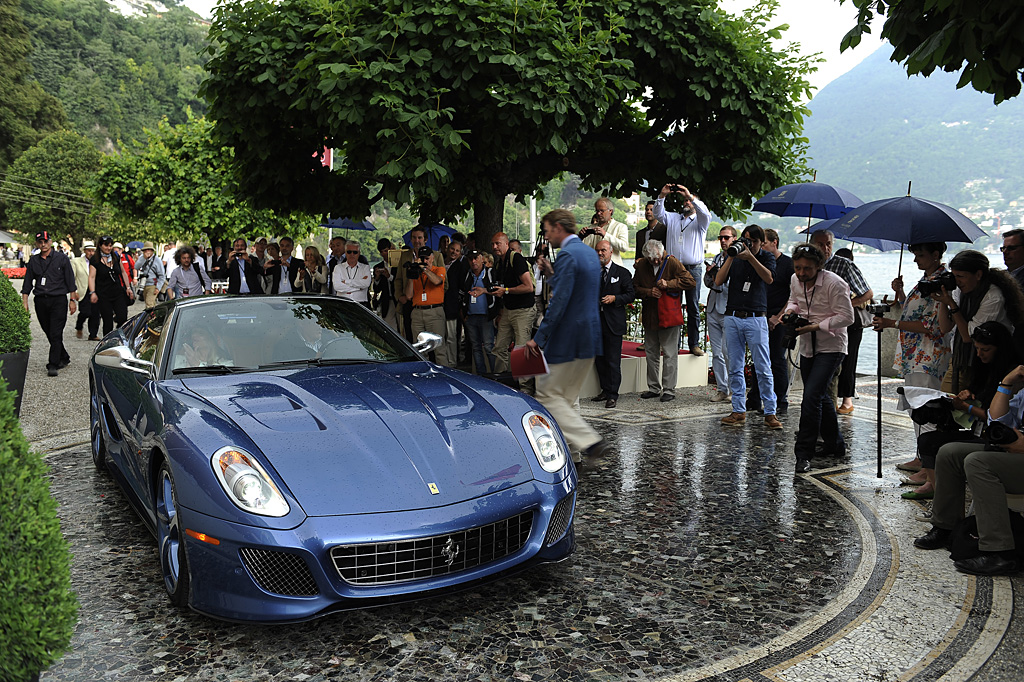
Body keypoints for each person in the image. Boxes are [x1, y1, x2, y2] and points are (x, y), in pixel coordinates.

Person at [913, 362, 1024, 576]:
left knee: (978, 462)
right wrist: (1006, 383)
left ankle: (1001, 552)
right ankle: (945, 527)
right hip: (1013, 451)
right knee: (949, 452)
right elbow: (996, 421)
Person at [900, 321, 1021, 500]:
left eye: (985, 350)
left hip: (995, 437)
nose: (979, 354)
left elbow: (997, 421)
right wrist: (969, 393)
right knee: (928, 439)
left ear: (999, 349)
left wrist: (967, 408)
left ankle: (942, 494)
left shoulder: (1013, 377)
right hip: (979, 430)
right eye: (977, 349)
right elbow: (980, 393)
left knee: (941, 447)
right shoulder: (984, 366)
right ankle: (936, 489)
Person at [525, 209, 605, 462]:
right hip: (589, 337)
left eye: (547, 231)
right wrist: (551, 273)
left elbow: (560, 302)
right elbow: (576, 290)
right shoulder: (588, 253)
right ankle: (571, 454)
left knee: (548, 396)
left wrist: (538, 339)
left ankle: (589, 442)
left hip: (569, 338)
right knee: (566, 402)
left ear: (559, 227)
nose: (546, 237)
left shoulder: (569, 254)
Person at [871, 242, 951, 474]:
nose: (916, 260)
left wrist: (891, 323)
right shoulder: (926, 281)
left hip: (928, 355)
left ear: (936, 255)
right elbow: (914, 311)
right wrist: (901, 293)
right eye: (915, 255)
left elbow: (932, 324)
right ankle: (921, 456)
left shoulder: (941, 282)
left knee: (927, 407)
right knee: (917, 407)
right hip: (915, 354)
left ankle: (929, 465)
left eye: (921, 255)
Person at [774, 243, 854, 473]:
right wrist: (790, 313)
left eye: (807, 269)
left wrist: (817, 326)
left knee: (810, 398)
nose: (801, 273)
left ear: (819, 266)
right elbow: (794, 301)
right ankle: (835, 445)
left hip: (832, 345)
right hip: (808, 345)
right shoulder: (794, 279)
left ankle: (803, 453)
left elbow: (847, 317)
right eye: (798, 268)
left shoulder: (835, 283)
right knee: (819, 396)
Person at [715, 225, 782, 430]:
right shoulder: (733, 258)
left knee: (763, 367)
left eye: (752, 241)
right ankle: (738, 410)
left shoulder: (766, 257)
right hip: (733, 315)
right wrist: (731, 256)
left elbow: (769, 278)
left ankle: (770, 411)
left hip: (756, 317)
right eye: (745, 240)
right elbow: (718, 280)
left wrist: (751, 257)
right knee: (735, 366)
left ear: (761, 242)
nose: (748, 244)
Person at [932, 250, 1024, 393]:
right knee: (946, 400)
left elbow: (969, 336)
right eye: (954, 276)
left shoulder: (993, 297)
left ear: (978, 275)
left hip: (988, 364)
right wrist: (944, 301)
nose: (957, 282)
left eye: (961, 276)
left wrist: (952, 304)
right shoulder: (959, 291)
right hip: (960, 360)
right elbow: (945, 327)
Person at [809, 230, 874, 415]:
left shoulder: (843, 265)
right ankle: (816, 420)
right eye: (820, 244)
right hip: (812, 329)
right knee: (813, 378)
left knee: (833, 374)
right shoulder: (807, 265)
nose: (825, 248)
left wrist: (841, 306)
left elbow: (867, 293)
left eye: (828, 244)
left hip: (839, 329)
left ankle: (830, 421)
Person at [651, 183, 711, 356]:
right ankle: (673, 345)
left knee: (692, 306)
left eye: (689, 201)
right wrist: (662, 195)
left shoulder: (700, 222)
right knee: (672, 305)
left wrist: (690, 195)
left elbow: (705, 213)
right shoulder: (673, 218)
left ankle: (694, 343)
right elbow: (657, 213)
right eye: (684, 200)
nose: (686, 202)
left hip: (693, 269)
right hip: (674, 268)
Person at [632, 240, 695, 402]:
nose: (656, 261)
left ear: (662, 252)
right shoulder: (642, 266)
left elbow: (690, 282)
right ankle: (653, 387)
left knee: (669, 354)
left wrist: (669, 283)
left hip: (669, 315)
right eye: (652, 259)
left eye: (658, 258)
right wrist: (648, 292)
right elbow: (634, 288)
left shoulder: (672, 262)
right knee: (651, 353)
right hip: (650, 316)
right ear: (646, 257)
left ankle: (669, 389)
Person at [747, 228, 796, 413]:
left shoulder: (788, 265)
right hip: (760, 316)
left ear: (774, 243)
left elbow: (793, 295)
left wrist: (779, 316)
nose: (762, 246)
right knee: (758, 359)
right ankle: (755, 398)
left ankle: (780, 401)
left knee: (777, 360)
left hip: (779, 318)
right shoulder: (760, 262)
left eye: (764, 243)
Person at [21, 231, 79, 377]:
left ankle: (53, 364)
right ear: (37, 243)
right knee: (49, 332)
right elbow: (27, 282)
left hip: (58, 300)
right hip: (41, 300)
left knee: (55, 332)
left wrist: (72, 300)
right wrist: (24, 302)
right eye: (40, 242)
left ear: (50, 242)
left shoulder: (62, 258)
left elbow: (70, 280)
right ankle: (63, 356)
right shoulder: (34, 260)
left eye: (45, 242)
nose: (43, 245)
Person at [591, 240, 634, 408]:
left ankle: (613, 395)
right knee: (599, 360)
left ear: (610, 252)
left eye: (603, 250)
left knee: (613, 361)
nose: (600, 253)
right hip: (596, 323)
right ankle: (604, 390)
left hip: (613, 323)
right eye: (597, 251)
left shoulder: (622, 273)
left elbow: (631, 295)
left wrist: (615, 298)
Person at [490, 231, 537, 376]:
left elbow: (529, 287)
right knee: (498, 348)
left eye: (498, 243)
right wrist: (484, 291)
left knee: (521, 350)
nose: (495, 247)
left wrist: (506, 291)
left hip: (523, 310)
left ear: (506, 244)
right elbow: (500, 289)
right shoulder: (500, 263)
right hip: (508, 309)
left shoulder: (516, 259)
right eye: (493, 244)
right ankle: (501, 383)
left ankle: (525, 389)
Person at [394, 226, 446, 340]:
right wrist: (399, 296)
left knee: (433, 340)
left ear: (425, 239)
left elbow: (443, 281)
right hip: (409, 300)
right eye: (414, 238)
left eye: (419, 238)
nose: (417, 240)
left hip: (430, 302)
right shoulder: (405, 255)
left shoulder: (436, 255)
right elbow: (398, 279)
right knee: (411, 336)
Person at [704, 226, 735, 403]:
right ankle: (722, 389)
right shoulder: (716, 258)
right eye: (720, 238)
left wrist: (719, 276)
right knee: (716, 353)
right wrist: (710, 274)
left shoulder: (736, 260)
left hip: (728, 309)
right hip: (713, 307)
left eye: (726, 238)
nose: (723, 241)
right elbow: (710, 283)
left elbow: (729, 284)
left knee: (727, 352)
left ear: (734, 239)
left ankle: (732, 389)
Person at [404, 245, 448, 364]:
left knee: (439, 348)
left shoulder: (439, 270)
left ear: (433, 258)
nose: (425, 261)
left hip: (434, 312)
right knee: (420, 349)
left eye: (427, 258)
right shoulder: (416, 273)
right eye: (422, 258)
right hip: (417, 312)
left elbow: (437, 281)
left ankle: (444, 377)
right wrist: (411, 274)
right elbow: (408, 295)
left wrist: (423, 269)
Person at [87, 236, 135, 337]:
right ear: (100, 245)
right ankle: (107, 342)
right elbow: (91, 277)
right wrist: (93, 292)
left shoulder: (115, 256)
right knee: (107, 320)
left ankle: (121, 338)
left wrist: (128, 288)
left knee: (122, 317)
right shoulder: (95, 260)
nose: (108, 248)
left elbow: (123, 272)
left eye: (110, 245)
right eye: (106, 245)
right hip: (103, 294)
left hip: (118, 292)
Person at [462, 250, 499, 374]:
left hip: (486, 316)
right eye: (471, 259)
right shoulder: (467, 274)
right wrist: (464, 314)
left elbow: (498, 292)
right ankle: (481, 375)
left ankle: (495, 375)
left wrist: (497, 313)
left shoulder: (490, 273)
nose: (473, 261)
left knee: (489, 347)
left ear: (481, 258)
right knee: (476, 348)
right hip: (471, 317)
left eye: (476, 258)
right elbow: (462, 294)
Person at [443, 240, 469, 367]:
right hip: (439, 305)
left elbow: (462, 287)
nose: (454, 252)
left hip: (452, 306)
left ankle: (452, 363)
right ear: (448, 248)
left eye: (457, 251)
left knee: (451, 336)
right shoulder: (440, 262)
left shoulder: (461, 266)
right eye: (452, 249)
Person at [581, 197, 629, 265]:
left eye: (602, 211)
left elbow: (624, 247)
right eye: (597, 211)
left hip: (613, 270)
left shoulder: (620, 227)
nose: (598, 213)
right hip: (593, 269)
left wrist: (605, 235)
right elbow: (582, 250)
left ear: (610, 211)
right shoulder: (590, 228)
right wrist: (580, 237)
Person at [71, 240, 99, 340]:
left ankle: (93, 334)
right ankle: (79, 326)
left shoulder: (98, 261)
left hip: (95, 290)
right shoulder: (76, 262)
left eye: (93, 251)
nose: (91, 253)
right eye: (89, 251)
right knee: (85, 312)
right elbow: (72, 278)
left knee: (95, 313)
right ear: (84, 251)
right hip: (83, 290)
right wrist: (75, 292)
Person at [370, 238, 398, 329]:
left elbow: (400, 282)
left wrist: (389, 276)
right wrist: (377, 278)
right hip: (387, 300)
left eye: (386, 251)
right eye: (382, 252)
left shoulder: (398, 264)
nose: (384, 254)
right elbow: (376, 289)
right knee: (390, 326)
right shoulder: (378, 266)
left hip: (399, 299)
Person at [134, 242, 167, 308]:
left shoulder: (157, 260)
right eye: (145, 250)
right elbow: (136, 267)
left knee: (149, 305)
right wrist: (143, 258)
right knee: (150, 303)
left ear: (152, 251)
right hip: (143, 284)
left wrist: (158, 287)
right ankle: (154, 316)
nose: (147, 252)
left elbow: (162, 275)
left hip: (153, 284)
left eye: (149, 250)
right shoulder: (142, 258)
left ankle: (149, 317)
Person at [634, 201, 659, 265]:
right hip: (643, 269)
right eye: (647, 210)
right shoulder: (640, 234)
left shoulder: (664, 230)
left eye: (651, 210)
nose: (648, 212)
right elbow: (638, 255)